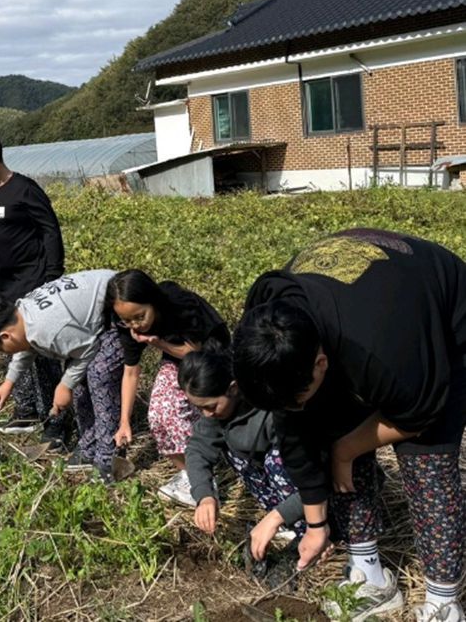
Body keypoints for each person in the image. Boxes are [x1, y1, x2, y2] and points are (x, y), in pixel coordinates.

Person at [233, 228, 466, 622]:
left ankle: (445, 601)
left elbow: (420, 414)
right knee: (329, 430)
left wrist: (347, 449)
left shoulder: (384, 352)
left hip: (441, 318)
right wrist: (316, 524)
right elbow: (296, 432)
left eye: (297, 397)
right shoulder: (269, 327)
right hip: (360, 312)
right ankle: (370, 577)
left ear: (321, 363)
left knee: (427, 466)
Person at [0, 131, 66, 444]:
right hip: (4, 287)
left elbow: (50, 232)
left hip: (35, 284)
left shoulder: (25, 190)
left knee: (43, 353)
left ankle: (56, 419)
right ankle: (26, 410)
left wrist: (52, 277)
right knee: (11, 346)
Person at [0, 270, 121, 482]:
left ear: (5, 335)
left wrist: (65, 385)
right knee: (80, 383)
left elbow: (89, 349)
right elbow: (25, 346)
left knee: (98, 375)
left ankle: (110, 456)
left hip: (121, 304)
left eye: (1, 350)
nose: (6, 354)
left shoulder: (48, 330)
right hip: (93, 320)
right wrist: (8, 382)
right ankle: (89, 446)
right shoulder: (22, 316)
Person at [107, 269, 229, 506]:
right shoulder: (127, 325)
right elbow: (131, 371)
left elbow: (196, 353)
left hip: (211, 352)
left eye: (140, 316)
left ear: (153, 302)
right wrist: (124, 422)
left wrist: (158, 342)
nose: (135, 325)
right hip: (175, 356)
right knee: (158, 415)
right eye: (127, 320)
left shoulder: (180, 307)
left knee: (179, 410)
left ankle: (205, 477)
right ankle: (191, 475)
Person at [179, 349, 304, 559]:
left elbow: (317, 477)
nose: (206, 415)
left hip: (316, 494)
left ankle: (311, 527)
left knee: (276, 462)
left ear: (233, 388)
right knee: (238, 456)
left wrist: (277, 518)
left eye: (210, 406)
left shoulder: (274, 409)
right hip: (286, 492)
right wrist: (205, 496)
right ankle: (291, 522)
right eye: (199, 408)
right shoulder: (218, 415)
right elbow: (198, 449)